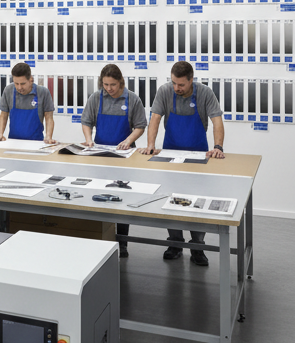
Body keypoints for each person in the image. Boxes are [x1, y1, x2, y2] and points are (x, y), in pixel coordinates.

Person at [139, 61, 225, 266]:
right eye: (174, 83)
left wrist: (218, 147)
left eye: (181, 85)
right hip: (171, 153)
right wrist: (150, 144)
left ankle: (198, 247)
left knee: (196, 201)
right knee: (172, 199)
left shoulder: (205, 93)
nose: (176, 88)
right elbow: (155, 119)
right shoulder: (165, 91)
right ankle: (175, 243)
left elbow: (217, 121)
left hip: (198, 155)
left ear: (191, 80)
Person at [81, 64, 147, 258]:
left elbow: (140, 126)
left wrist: (128, 141)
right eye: (105, 84)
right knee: (99, 194)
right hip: (101, 154)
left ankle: (122, 241)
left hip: (124, 157)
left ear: (121, 82)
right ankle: (100, 237)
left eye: (113, 85)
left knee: (121, 199)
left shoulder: (132, 99)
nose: (109, 88)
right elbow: (86, 122)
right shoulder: (96, 97)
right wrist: (88, 140)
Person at [0, 62, 57, 144]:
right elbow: (3, 115)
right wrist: (0, 134)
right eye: (16, 83)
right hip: (13, 142)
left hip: (36, 143)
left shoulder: (43, 92)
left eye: (23, 84)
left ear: (31, 80)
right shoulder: (8, 90)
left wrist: (48, 136)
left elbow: (49, 117)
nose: (19, 87)